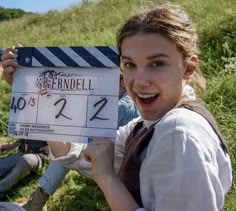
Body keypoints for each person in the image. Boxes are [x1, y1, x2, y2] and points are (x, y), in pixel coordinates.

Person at [1, 3, 233, 210]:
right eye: (130, 64)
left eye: (157, 63)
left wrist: (107, 179)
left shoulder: (178, 133)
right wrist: (31, 88)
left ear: (188, 69)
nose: (139, 81)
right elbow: (82, 154)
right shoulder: (148, 124)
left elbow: (97, 164)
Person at [1, 46, 139, 210]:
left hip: (121, 171)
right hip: (107, 162)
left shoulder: (123, 107)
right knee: (65, 153)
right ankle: (35, 202)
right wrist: (28, 84)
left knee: (63, 158)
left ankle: (35, 203)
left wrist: (34, 89)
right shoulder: (116, 102)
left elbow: (79, 136)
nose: (99, 90)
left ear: (122, 82)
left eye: (105, 84)